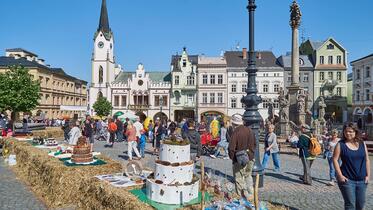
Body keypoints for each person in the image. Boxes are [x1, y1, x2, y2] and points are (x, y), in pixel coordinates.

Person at [333, 123, 370, 210]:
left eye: (351, 131)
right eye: (346, 131)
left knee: (361, 205)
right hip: (347, 180)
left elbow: (367, 159)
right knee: (350, 205)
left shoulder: (362, 143)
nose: (348, 133)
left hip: (362, 180)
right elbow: (335, 159)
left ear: (355, 132)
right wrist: (340, 175)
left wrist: (368, 175)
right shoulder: (341, 144)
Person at [228, 114, 256, 200]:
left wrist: (233, 158)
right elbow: (255, 144)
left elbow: (231, 149)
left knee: (239, 179)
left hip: (239, 159)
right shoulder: (249, 130)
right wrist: (250, 153)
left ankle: (241, 199)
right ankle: (251, 195)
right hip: (250, 158)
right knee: (248, 176)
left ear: (234, 124)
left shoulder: (235, 132)